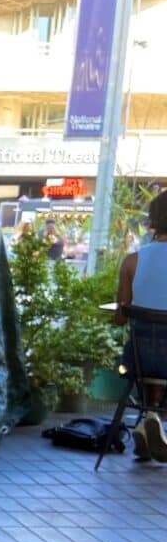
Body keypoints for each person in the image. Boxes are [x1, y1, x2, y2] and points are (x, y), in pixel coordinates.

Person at [115, 190, 167, 461]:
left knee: (150, 346)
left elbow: (120, 317)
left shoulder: (132, 261)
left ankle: (147, 420)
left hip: (139, 361)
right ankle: (153, 421)